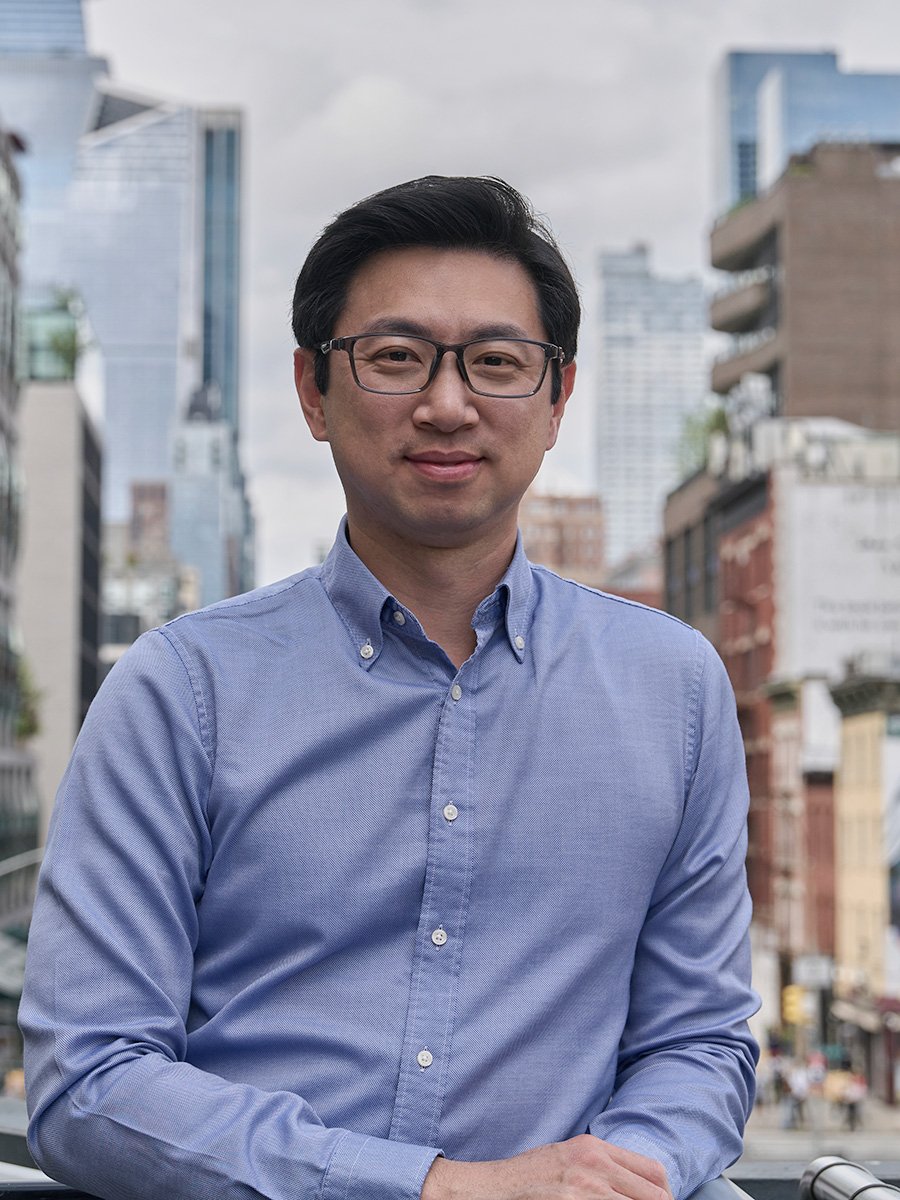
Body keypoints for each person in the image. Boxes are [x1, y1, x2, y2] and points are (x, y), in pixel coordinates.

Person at [20, 176, 759, 1200]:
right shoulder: (182, 690)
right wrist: (437, 1188)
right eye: (396, 357)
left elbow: (701, 1043)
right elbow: (90, 1079)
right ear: (312, 390)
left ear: (557, 400)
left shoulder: (673, 690)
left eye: (497, 362)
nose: (447, 405)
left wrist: (617, 1179)